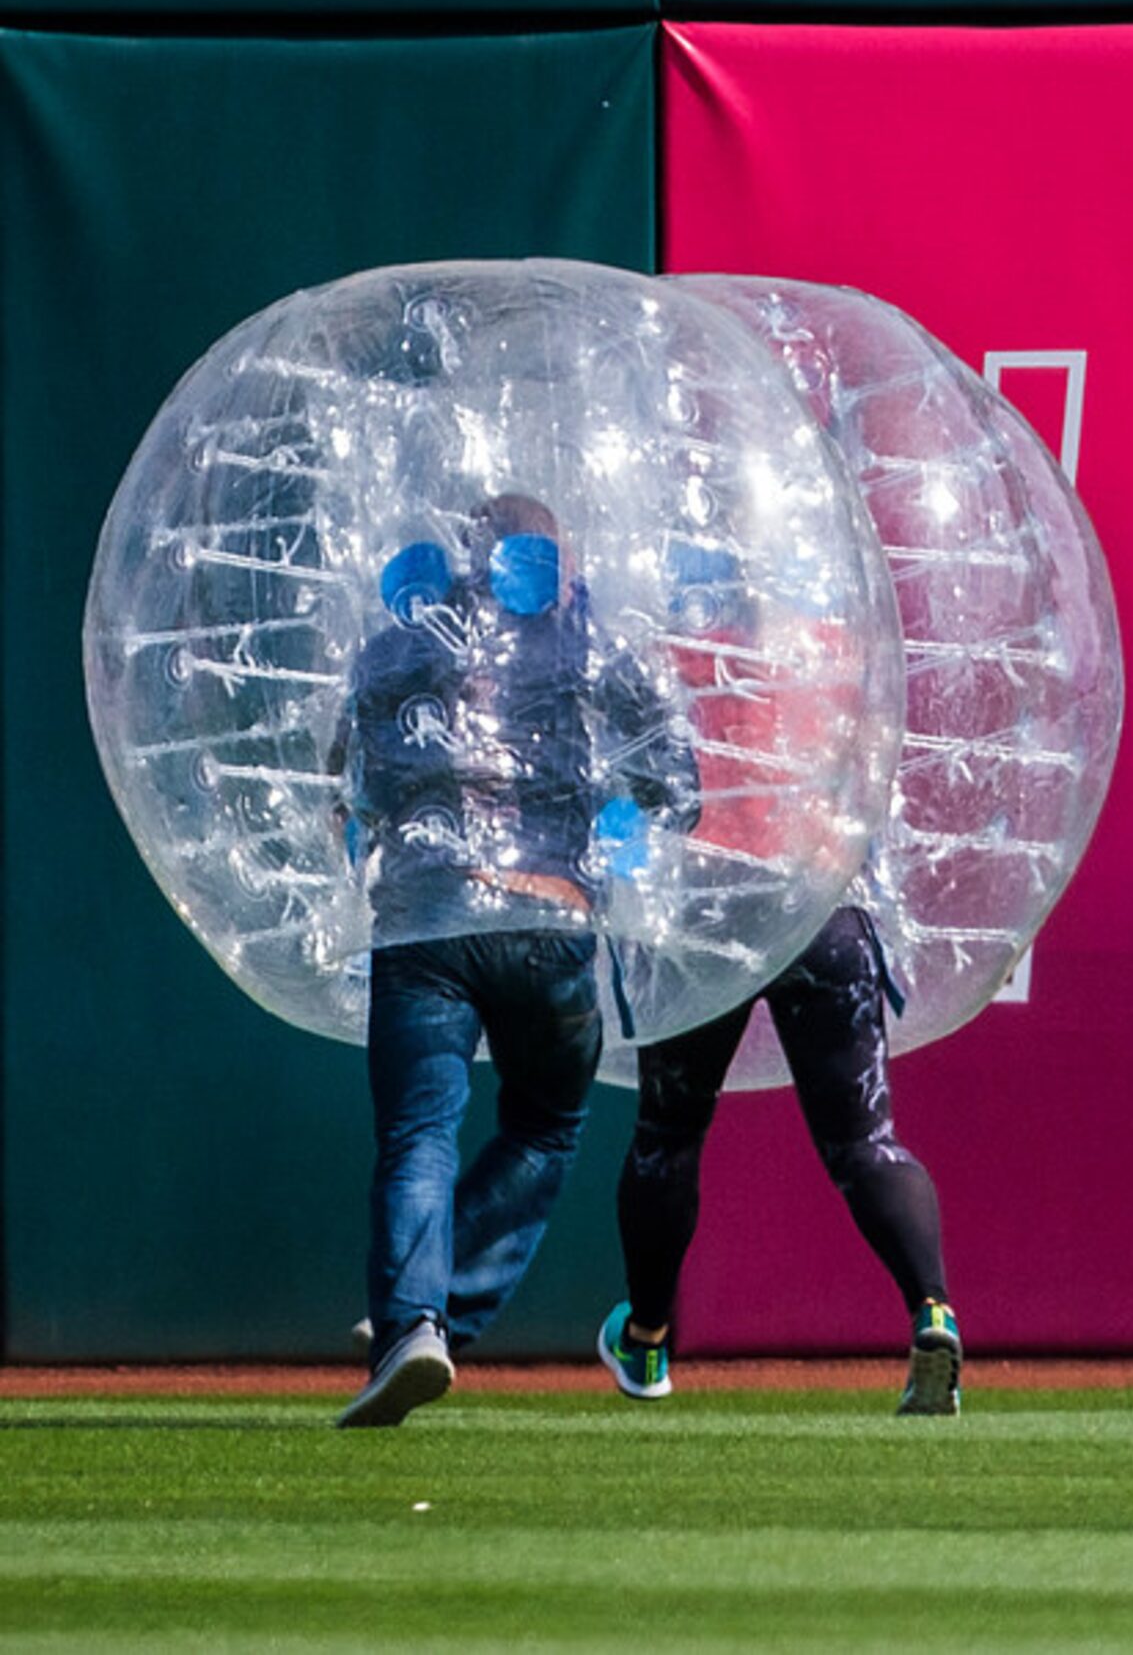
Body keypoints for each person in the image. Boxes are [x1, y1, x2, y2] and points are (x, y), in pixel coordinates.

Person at [331, 493, 696, 1428]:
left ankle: (413, 1318)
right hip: (550, 922)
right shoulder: (590, 643)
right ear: (545, 562)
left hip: (422, 919)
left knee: (418, 1134)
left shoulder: (395, 648)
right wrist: (623, 826)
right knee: (543, 1126)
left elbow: (349, 774)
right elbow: (676, 777)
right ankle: (433, 1309)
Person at [595, 559, 961, 1417]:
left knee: (667, 1138)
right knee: (866, 1143)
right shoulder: (834, 654)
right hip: (822, 907)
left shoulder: (667, 654)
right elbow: (876, 790)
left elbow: (628, 771)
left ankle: (647, 1343)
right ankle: (932, 1308)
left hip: (709, 910)